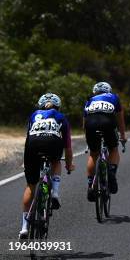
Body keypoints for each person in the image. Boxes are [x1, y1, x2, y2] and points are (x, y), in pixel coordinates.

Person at [19, 94, 74, 239]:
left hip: (32, 147)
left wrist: (27, 160)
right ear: (58, 106)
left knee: (31, 186)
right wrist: (68, 165)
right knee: (56, 162)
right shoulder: (61, 117)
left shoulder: (34, 115)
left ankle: (24, 227)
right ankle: (55, 193)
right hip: (53, 145)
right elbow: (68, 147)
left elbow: (28, 138)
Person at [83, 82, 127, 200]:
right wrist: (122, 134)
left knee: (93, 154)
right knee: (113, 149)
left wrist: (87, 136)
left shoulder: (89, 100)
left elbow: (84, 121)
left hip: (91, 125)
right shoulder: (114, 97)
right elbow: (120, 118)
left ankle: (91, 184)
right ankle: (111, 171)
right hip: (107, 123)